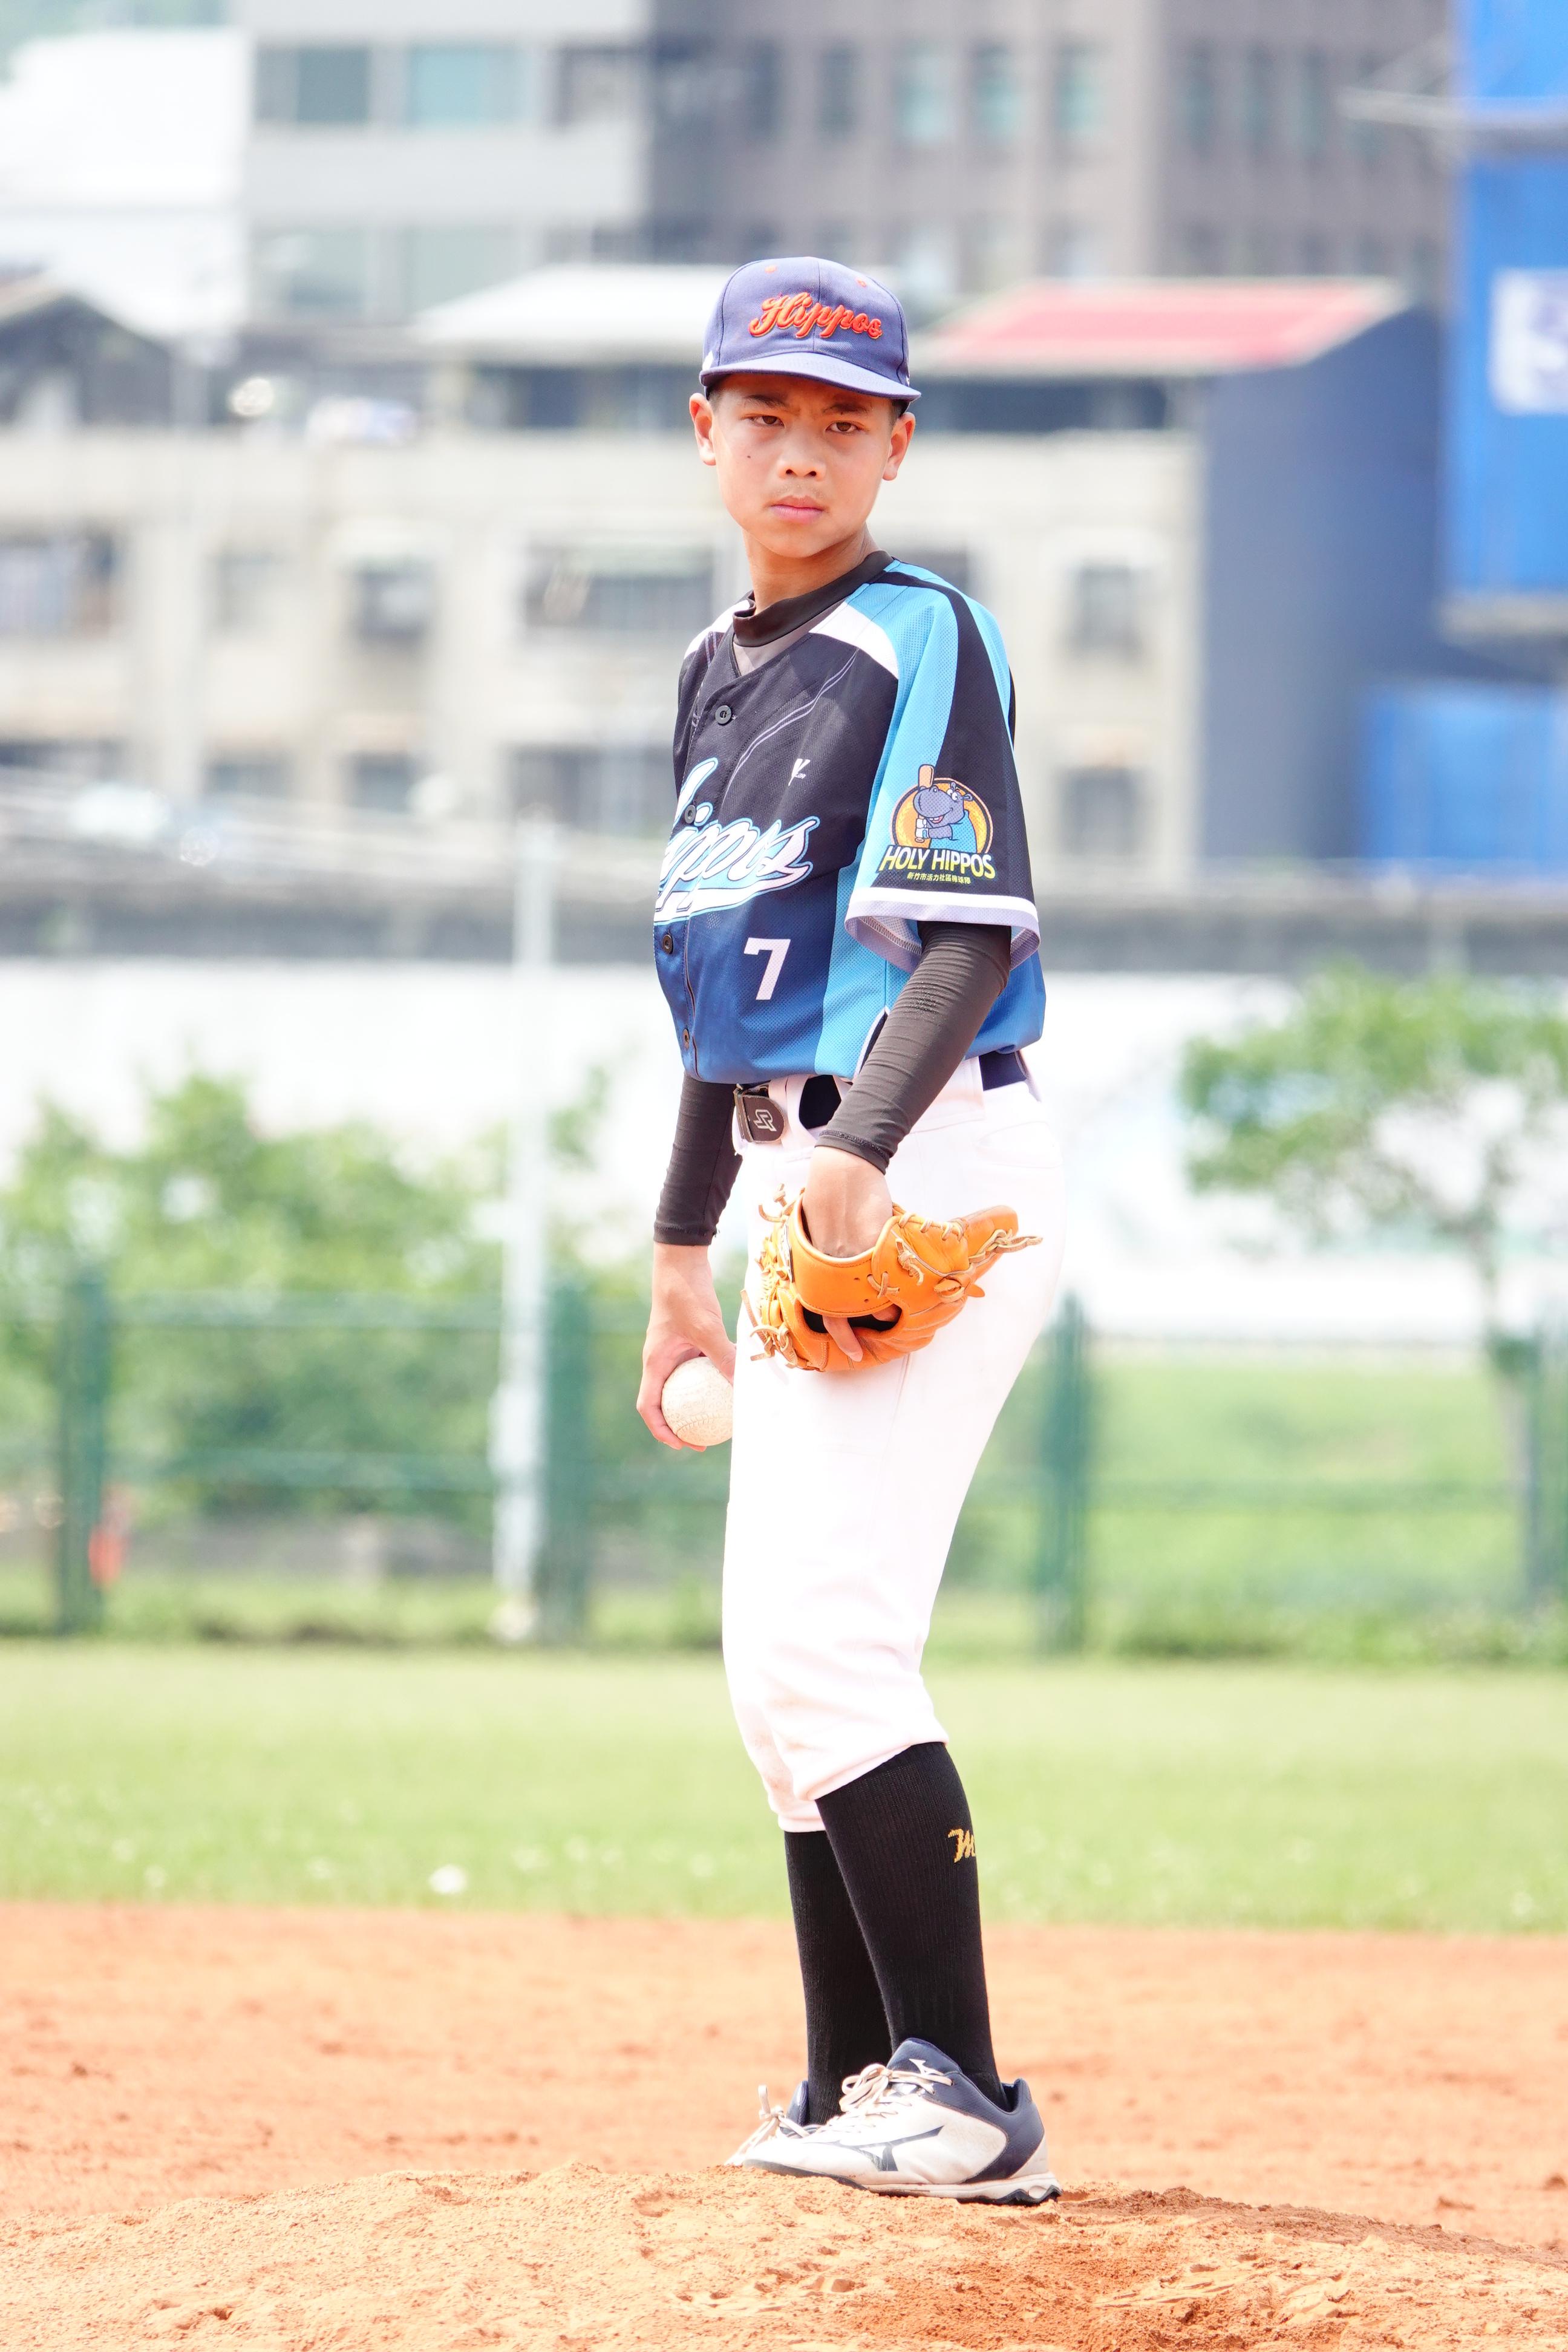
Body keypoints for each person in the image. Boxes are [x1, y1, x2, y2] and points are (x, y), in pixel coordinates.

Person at [636, 257, 1067, 2202]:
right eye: (764, 414)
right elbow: (726, 1004)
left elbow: (961, 934)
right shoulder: (713, 673)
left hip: (926, 1161)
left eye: (841, 420)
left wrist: (868, 1145)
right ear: (706, 430)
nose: (798, 451)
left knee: (830, 1646)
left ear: (898, 444)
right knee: (776, 1684)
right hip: (796, 1179)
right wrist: (677, 1258)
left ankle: (966, 2101)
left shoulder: (920, 636)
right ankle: (849, 2088)